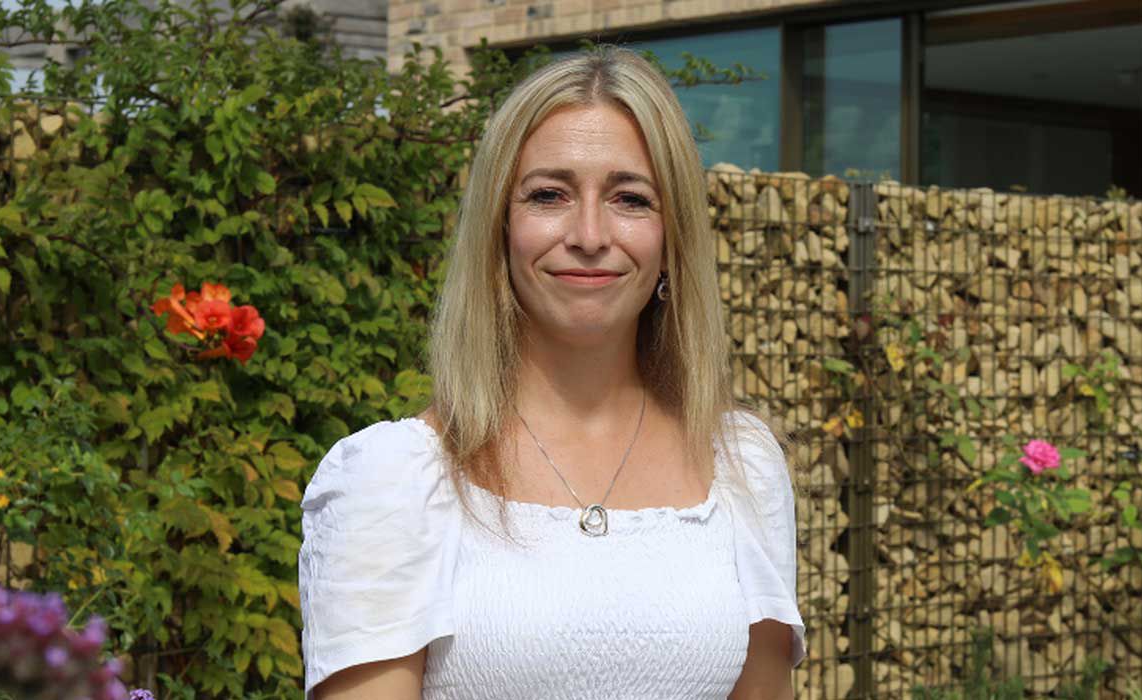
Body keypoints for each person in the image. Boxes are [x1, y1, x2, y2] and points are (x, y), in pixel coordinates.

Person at [297, 47, 804, 699]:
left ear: (672, 237)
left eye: (629, 198)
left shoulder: (742, 468)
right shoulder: (393, 481)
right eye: (548, 195)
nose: (589, 233)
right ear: (499, 229)